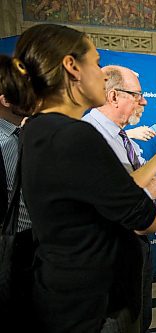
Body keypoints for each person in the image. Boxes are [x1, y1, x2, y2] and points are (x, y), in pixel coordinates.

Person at [1, 23, 156, 333]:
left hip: (60, 296)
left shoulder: (35, 128)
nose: (102, 73)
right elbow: (146, 219)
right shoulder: (76, 136)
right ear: (72, 67)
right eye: (97, 62)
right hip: (92, 307)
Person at [83, 65, 156, 333]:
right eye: (137, 95)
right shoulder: (88, 136)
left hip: (137, 243)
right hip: (111, 251)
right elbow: (110, 200)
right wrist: (150, 192)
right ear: (113, 97)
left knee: (139, 318)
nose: (143, 101)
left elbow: (144, 173)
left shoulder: (124, 139)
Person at [0, 56, 34, 328]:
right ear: (5, 100)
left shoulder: (28, 135)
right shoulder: (3, 145)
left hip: (35, 253)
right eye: (25, 88)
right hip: (10, 256)